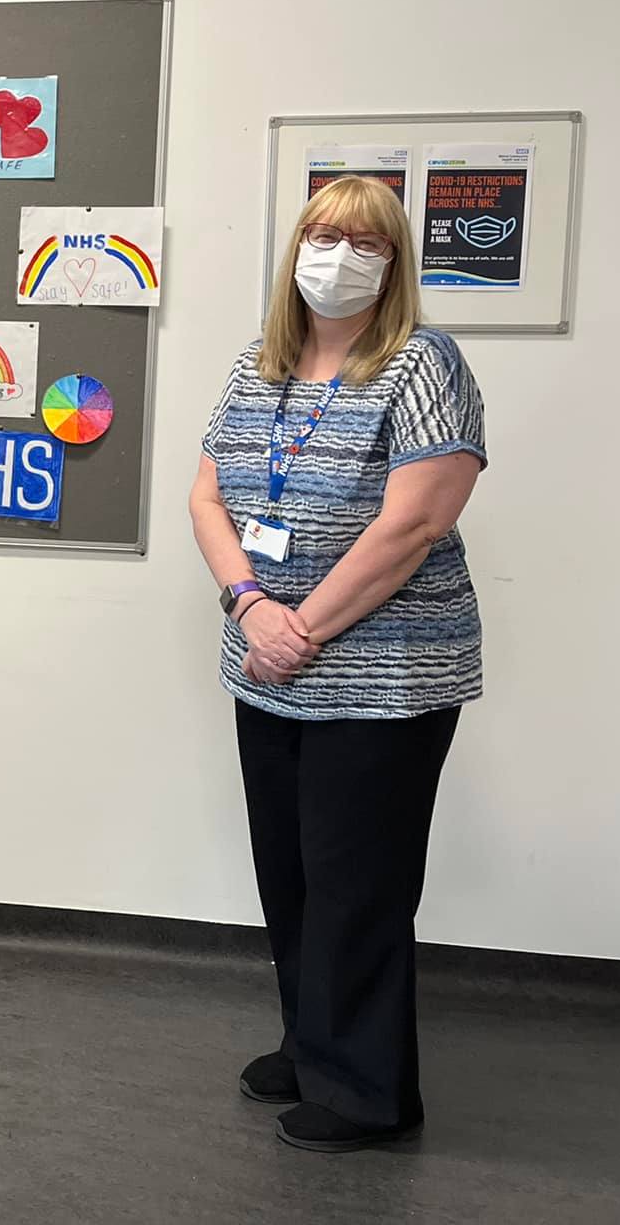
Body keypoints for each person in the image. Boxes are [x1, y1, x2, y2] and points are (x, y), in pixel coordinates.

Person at [188, 174, 486, 1153]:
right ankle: (311, 1042)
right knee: (291, 875)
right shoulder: (258, 363)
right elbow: (205, 496)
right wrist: (248, 604)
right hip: (265, 664)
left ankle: (366, 1091)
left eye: (365, 243)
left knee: (357, 883)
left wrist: (300, 628)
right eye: (322, 236)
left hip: (382, 678)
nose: (338, 257)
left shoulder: (420, 363)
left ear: (394, 264)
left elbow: (414, 523)